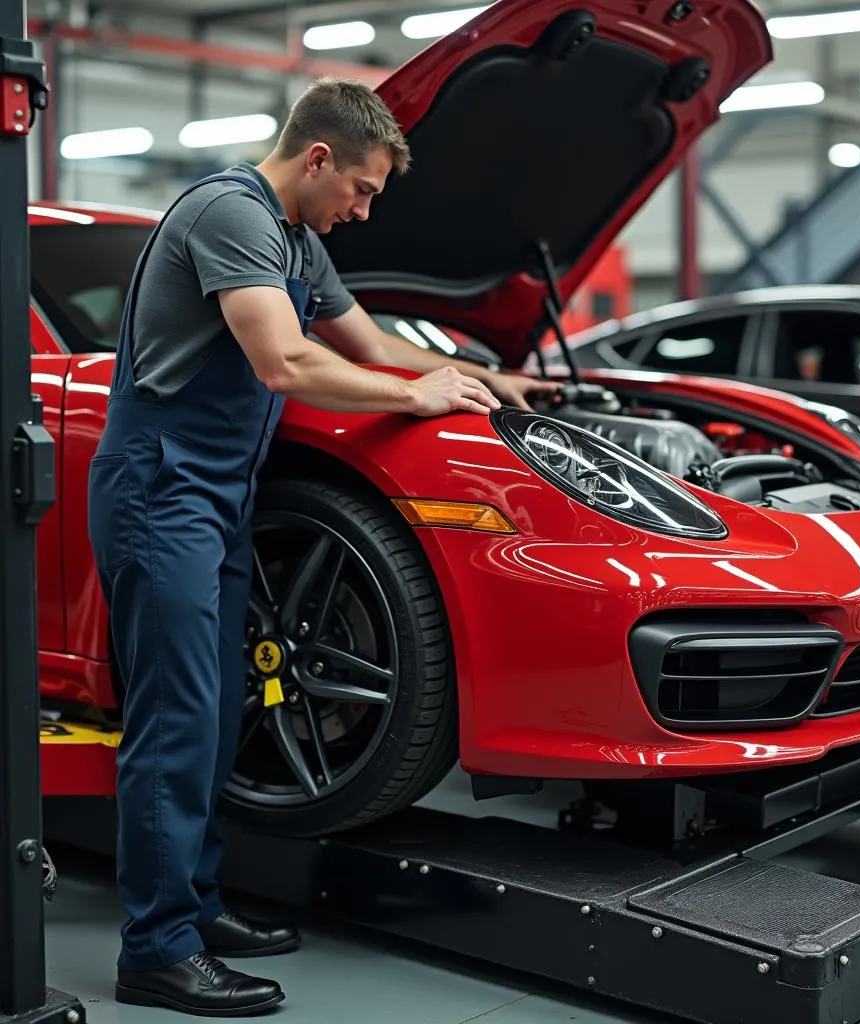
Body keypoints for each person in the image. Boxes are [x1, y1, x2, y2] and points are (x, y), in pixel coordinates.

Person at [87, 77, 558, 1018]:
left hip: (220, 497)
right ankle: (155, 950)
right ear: (317, 159)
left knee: (219, 716)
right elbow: (284, 361)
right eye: (363, 189)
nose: (364, 210)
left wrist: (486, 376)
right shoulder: (231, 212)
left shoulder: (300, 241)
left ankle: (194, 908)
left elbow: (372, 346)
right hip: (161, 486)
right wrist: (417, 400)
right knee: (176, 720)